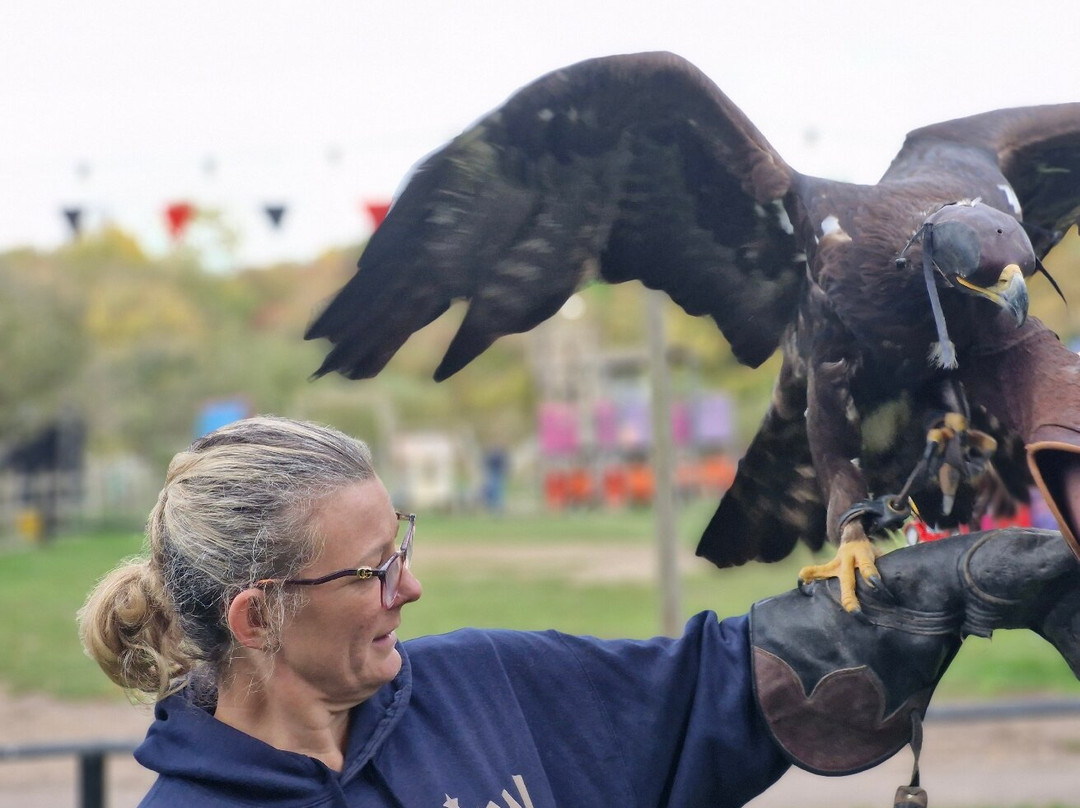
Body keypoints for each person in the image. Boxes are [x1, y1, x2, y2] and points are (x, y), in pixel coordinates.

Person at [79, 415, 1080, 808]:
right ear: (257, 617)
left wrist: (936, 587)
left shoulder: (484, 686)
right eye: (374, 570)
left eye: (403, 547)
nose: (410, 587)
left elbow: (711, 691)